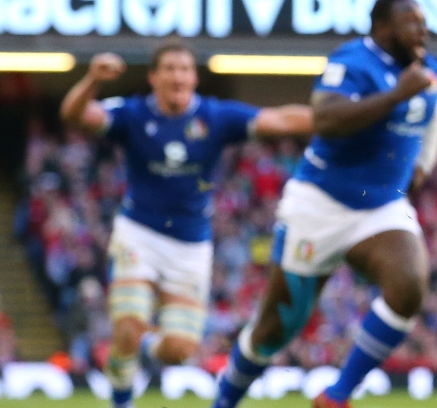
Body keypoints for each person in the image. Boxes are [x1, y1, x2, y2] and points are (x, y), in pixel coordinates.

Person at [211, 0, 437, 408]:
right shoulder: (352, 61)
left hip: (380, 207)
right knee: (276, 329)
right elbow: (326, 119)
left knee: (409, 284)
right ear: (382, 27)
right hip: (321, 203)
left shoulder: (433, 70)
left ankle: (337, 396)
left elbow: (432, 119)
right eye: (411, 22)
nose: (422, 31)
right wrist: (395, 95)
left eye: (423, 22)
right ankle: (224, 401)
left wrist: (422, 167)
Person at [58, 42, 312, 408]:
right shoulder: (133, 114)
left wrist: (339, 119)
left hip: (190, 245)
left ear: (194, 77)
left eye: (185, 69)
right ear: (153, 77)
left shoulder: (216, 117)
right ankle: (121, 399)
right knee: (128, 323)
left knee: (179, 350)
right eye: (170, 69)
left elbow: (282, 120)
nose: (178, 76)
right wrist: (92, 80)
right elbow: (74, 115)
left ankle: (140, 344)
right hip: (139, 234)